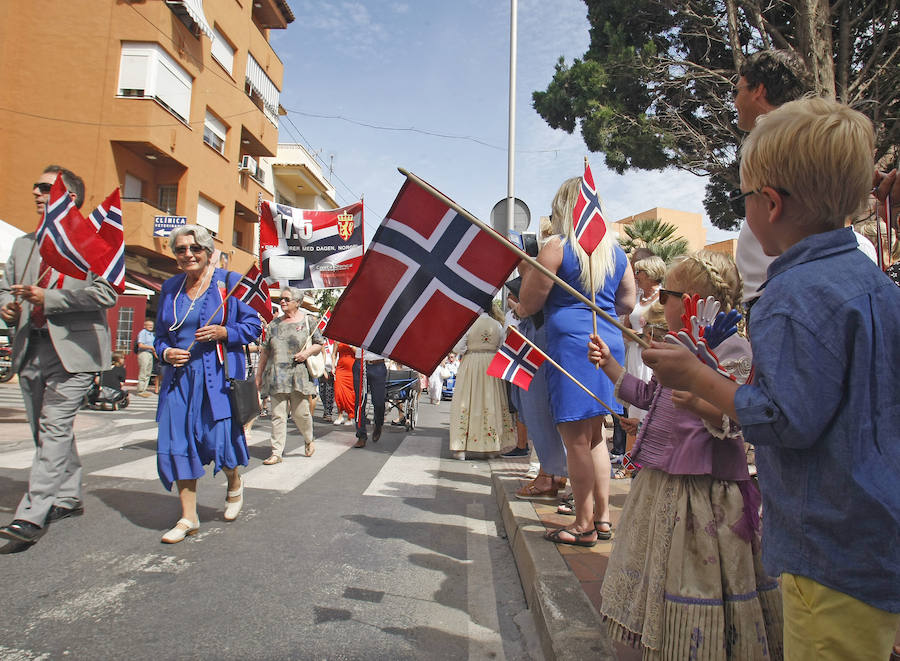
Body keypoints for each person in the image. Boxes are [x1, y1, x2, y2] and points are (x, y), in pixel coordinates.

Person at [642, 98, 900, 661]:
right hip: (876, 534)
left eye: (744, 197)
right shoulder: (877, 286)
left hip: (825, 546)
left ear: (772, 204)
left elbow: (785, 419)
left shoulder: (789, 297)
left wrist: (697, 376)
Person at [589, 250, 780, 659]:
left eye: (667, 296)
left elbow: (736, 416)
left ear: (693, 299)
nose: (659, 304)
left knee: (700, 575)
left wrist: (698, 400)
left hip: (706, 493)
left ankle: (701, 645)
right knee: (662, 571)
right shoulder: (679, 346)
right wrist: (609, 366)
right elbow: (650, 395)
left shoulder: (733, 350)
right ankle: (669, 643)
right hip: (664, 484)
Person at [0, 165, 117, 545]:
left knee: (53, 428)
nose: (36, 191)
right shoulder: (23, 244)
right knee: (46, 430)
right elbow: (6, 289)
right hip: (30, 345)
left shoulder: (92, 243)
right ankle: (67, 496)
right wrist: (7, 305)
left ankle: (32, 516)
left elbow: (106, 294)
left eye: (45, 187)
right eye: (35, 185)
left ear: (69, 199)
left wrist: (48, 298)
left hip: (74, 351)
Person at [517, 175, 635, 547]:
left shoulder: (557, 247)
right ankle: (601, 518)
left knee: (577, 441)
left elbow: (531, 302)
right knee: (596, 436)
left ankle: (583, 523)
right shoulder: (615, 252)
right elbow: (627, 304)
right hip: (607, 343)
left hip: (571, 346)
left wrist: (519, 306)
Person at [154, 224, 261, 543]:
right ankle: (188, 517)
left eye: (194, 248)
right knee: (178, 444)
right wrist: (166, 352)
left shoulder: (228, 284)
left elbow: (253, 325)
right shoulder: (170, 287)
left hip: (217, 379)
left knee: (220, 443)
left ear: (208, 252)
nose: (188, 254)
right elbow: (160, 336)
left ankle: (234, 482)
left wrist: (224, 332)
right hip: (179, 380)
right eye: (181, 249)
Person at [255, 287, 323, 463]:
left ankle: (308, 439)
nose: (282, 302)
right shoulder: (274, 325)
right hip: (277, 375)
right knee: (278, 415)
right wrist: (259, 374)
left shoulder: (309, 321)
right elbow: (265, 351)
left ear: (298, 302)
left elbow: (319, 344)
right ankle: (276, 452)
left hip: (298, 376)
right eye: (280, 300)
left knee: (301, 414)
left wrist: (306, 353)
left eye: (286, 299)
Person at [448, 301, 516, 460]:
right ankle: (491, 447)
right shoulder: (497, 325)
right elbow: (502, 346)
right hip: (492, 364)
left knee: (467, 401)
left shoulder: (468, 324)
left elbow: (458, 348)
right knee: (491, 402)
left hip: (471, 364)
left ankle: (461, 448)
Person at [352, 346, 387, 448]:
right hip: (360, 364)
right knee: (360, 402)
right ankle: (361, 435)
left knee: (379, 402)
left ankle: (378, 424)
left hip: (378, 365)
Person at [332, 341, 356, 425]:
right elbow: (334, 354)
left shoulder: (355, 339)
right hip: (340, 369)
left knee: (350, 394)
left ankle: (350, 417)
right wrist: (333, 366)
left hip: (352, 370)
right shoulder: (337, 340)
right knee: (338, 392)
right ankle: (340, 415)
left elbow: (358, 353)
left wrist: (351, 345)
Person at [134, 319, 157, 397]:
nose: (151, 326)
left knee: (148, 373)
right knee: (143, 372)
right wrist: (151, 347)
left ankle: (144, 389)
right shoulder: (143, 333)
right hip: (144, 353)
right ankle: (140, 390)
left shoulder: (152, 334)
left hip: (150, 354)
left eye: (152, 325)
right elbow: (140, 345)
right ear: (145, 326)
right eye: (149, 325)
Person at [318, 339, 335, 422]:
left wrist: (334, 368)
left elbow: (335, 355)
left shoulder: (335, 342)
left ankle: (328, 413)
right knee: (322, 392)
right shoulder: (323, 342)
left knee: (330, 392)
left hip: (333, 369)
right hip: (323, 368)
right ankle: (325, 409)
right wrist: (323, 369)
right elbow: (321, 355)